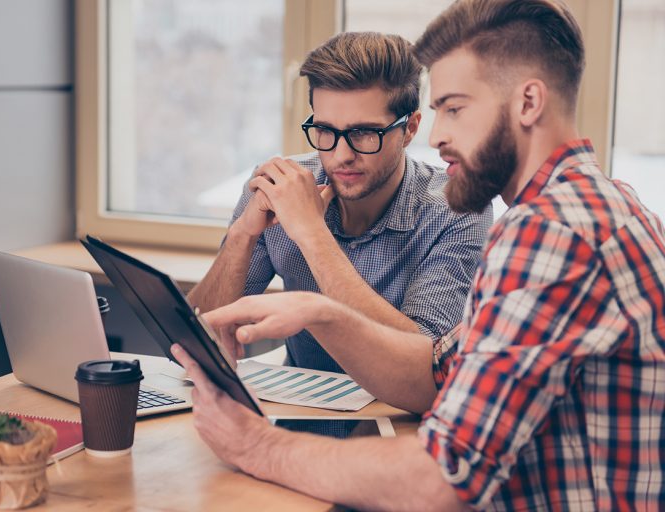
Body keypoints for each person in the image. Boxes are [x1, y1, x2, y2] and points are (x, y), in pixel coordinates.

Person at [173, 0, 665, 509]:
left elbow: (444, 479)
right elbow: (438, 372)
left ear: (527, 103)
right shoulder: (598, 202)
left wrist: (254, 444)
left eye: (453, 108)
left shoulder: (551, 233)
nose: (437, 136)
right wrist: (318, 310)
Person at [187, 32, 492, 383]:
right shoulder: (280, 188)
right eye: (325, 130)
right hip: (296, 425)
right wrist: (242, 235)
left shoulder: (460, 209)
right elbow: (192, 346)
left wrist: (311, 233)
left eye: (364, 133)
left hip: (397, 431)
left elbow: (424, 365)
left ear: (409, 129)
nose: (341, 155)